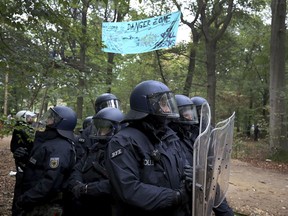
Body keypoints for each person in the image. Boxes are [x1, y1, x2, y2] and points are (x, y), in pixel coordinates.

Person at [105, 80, 192, 216]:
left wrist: (191, 178)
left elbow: (181, 167)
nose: (168, 109)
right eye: (163, 104)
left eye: (168, 104)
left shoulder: (169, 137)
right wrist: (175, 197)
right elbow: (128, 188)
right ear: (147, 105)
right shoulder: (123, 141)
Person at [15, 105, 77, 216]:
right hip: (35, 201)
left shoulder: (60, 148)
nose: (47, 120)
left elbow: (50, 182)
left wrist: (26, 198)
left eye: (51, 118)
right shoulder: (49, 141)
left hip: (45, 205)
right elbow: (39, 167)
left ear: (60, 123)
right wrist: (25, 159)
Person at [66, 107, 124, 216]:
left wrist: (87, 189)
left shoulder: (123, 151)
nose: (99, 132)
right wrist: (76, 184)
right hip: (85, 204)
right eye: (98, 128)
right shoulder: (94, 147)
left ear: (116, 128)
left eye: (104, 128)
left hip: (107, 207)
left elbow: (117, 182)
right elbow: (77, 168)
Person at [191, 96, 234, 216]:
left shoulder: (210, 129)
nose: (201, 114)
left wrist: (214, 166)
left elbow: (215, 151)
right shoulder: (187, 130)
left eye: (203, 111)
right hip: (196, 176)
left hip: (208, 173)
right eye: (198, 111)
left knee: (223, 208)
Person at [10, 110, 37, 216]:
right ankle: (17, 211)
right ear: (23, 118)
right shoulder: (20, 130)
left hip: (28, 162)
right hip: (23, 165)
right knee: (20, 188)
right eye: (29, 117)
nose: (32, 119)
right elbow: (14, 147)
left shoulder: (30, 128)